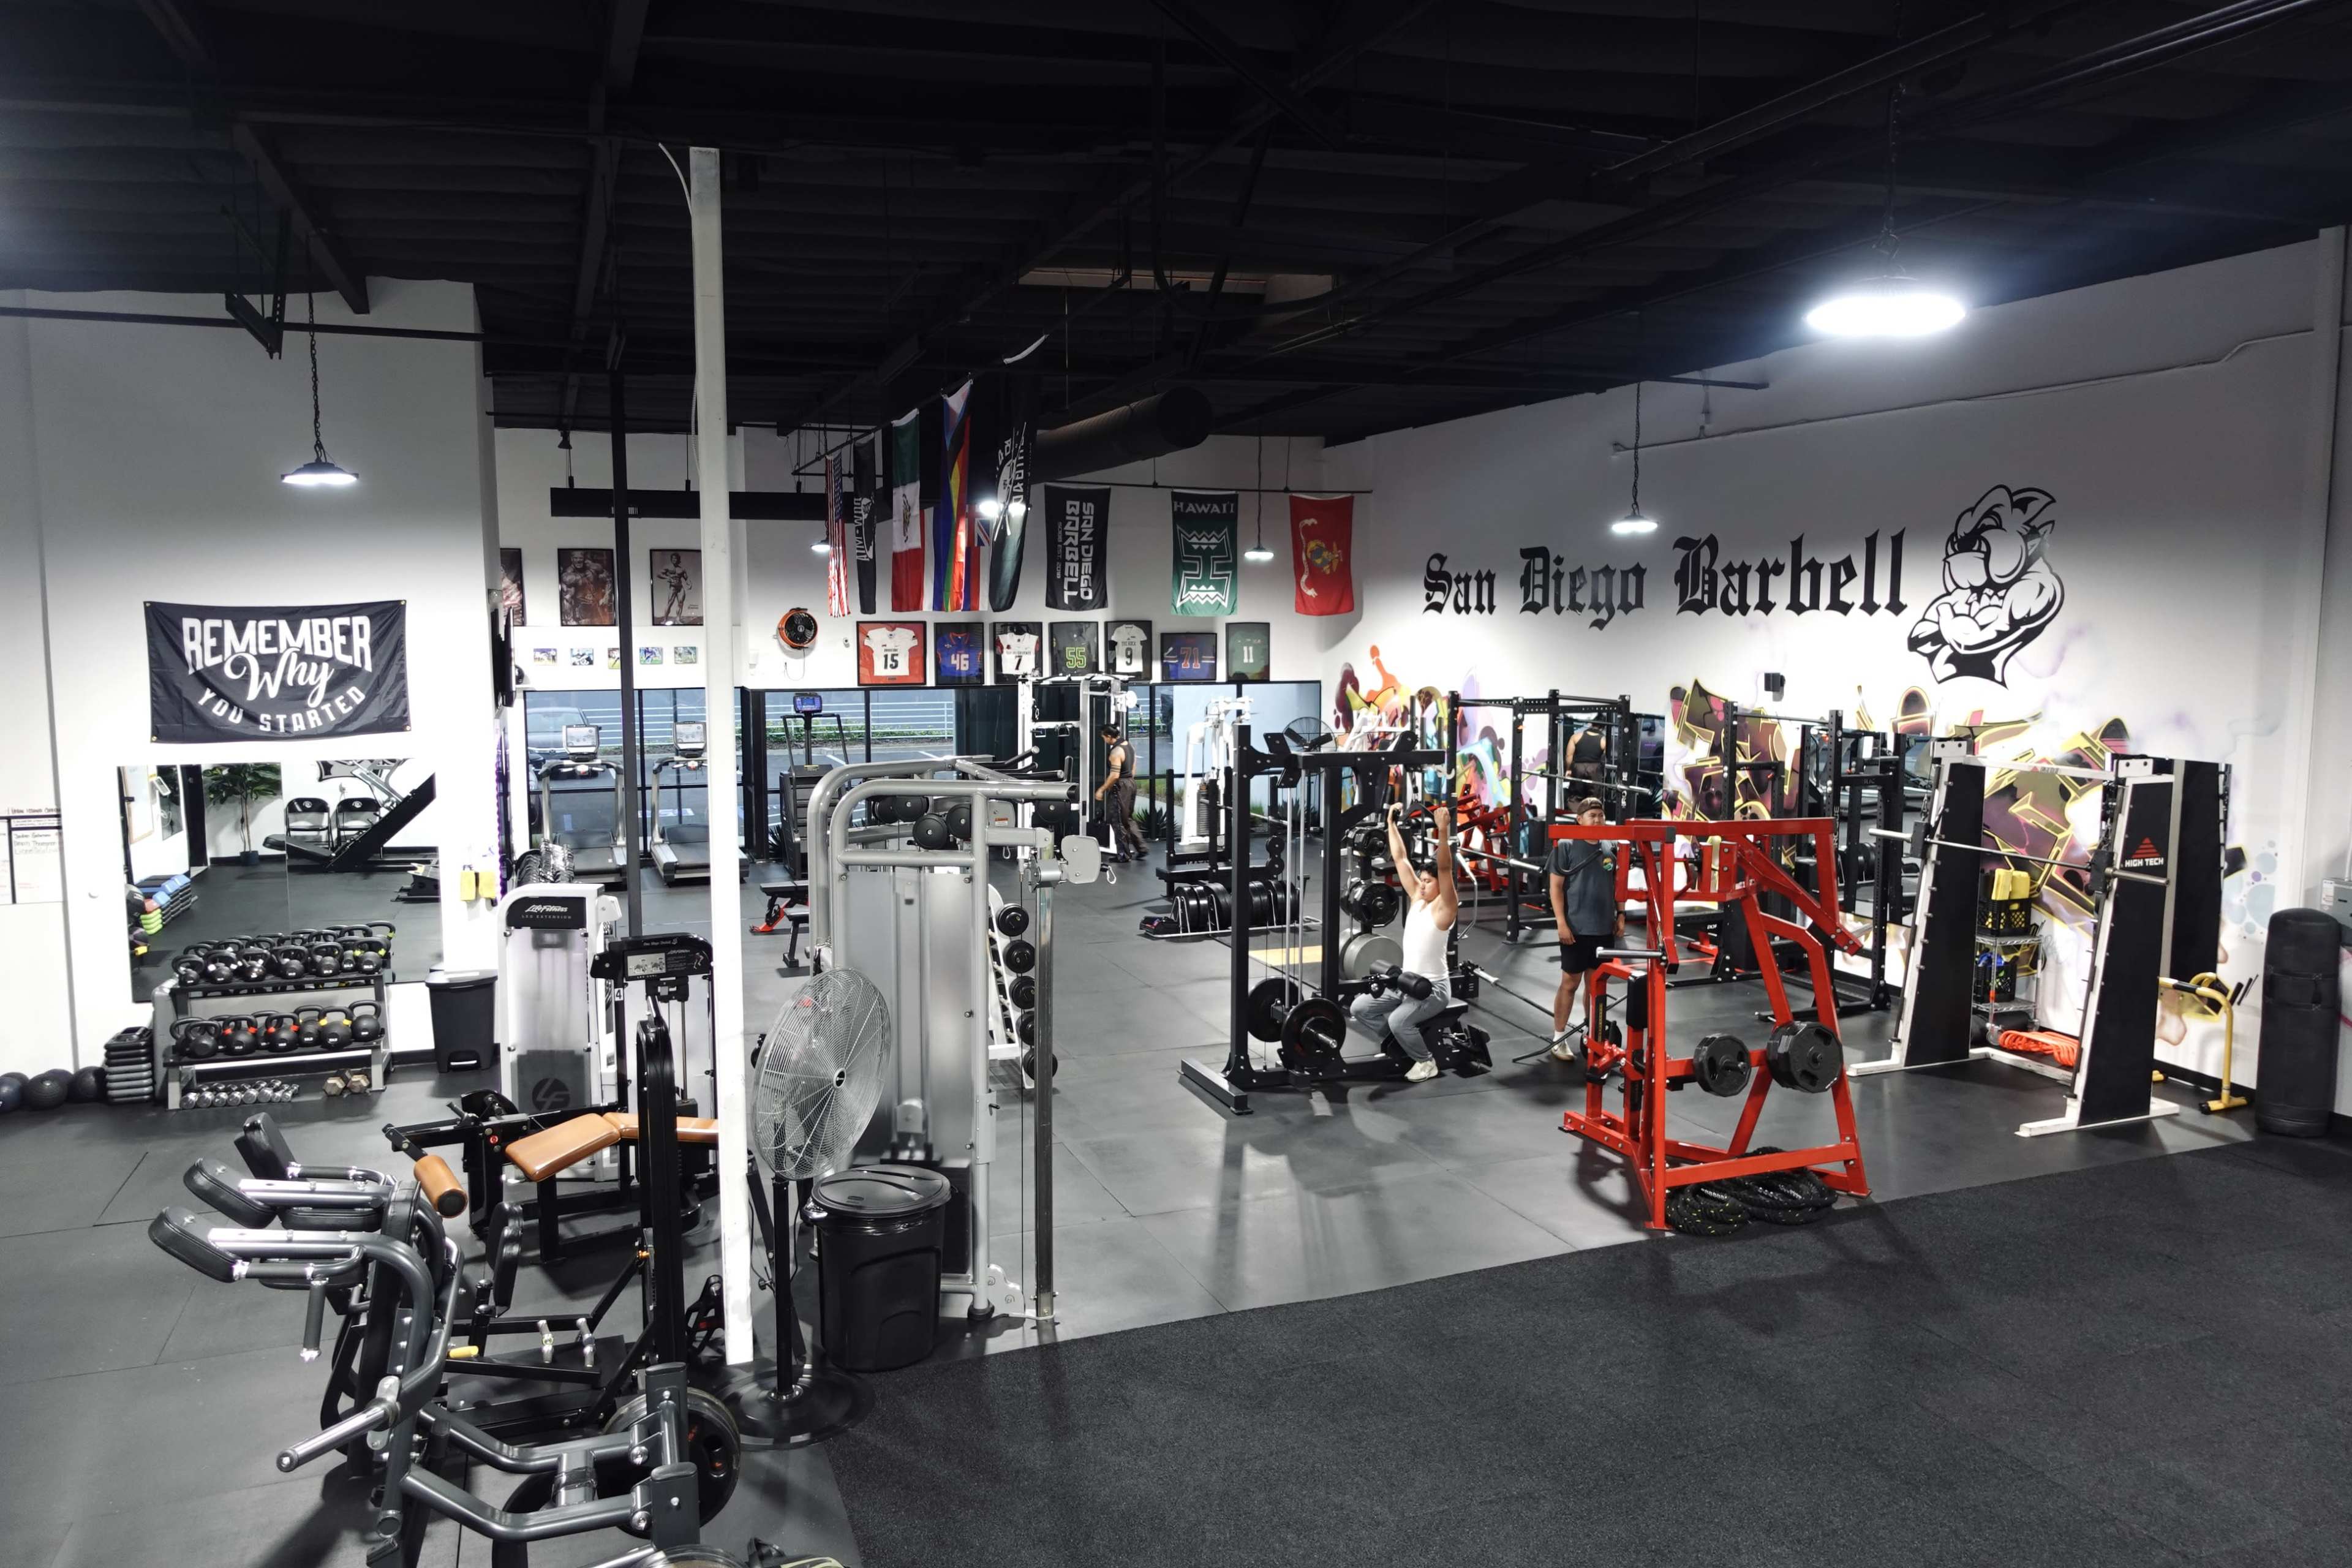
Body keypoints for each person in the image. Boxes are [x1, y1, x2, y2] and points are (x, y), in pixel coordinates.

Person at [1351, 802, 1458, 1084]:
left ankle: (1426, 1062)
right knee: (1359, 1009)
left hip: (1433, 990)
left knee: (1399, 1021)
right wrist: (1390, 824)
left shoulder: (1445, 908)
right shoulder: (1418, 900)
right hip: (1407, 982)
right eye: (1421, 881)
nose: (1422, 885)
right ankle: (1398, 1044)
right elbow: (1400, 859)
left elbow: (1445, 868)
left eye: (1428, 882)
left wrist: (1443, 831)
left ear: (1440, 885)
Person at [1548, 797, 1621, 1060]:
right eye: (1592, 815)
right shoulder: (1566, 845)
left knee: (1596, 984)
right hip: (1576, 928)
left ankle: (1594, 1034)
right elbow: (1555, 887)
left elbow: (1618, 883)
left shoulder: (1611, 844)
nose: (1598, 820)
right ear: (1579, 820)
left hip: (1603, 928)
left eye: (1601, 815)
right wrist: (1561, 922)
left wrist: (1621, 913)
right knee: (1570, 982)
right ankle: (1558, 1038)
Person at [1095, 723, 1147, 862]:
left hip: (1121, 786)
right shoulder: (1128, 745)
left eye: (1104, 738)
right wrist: (1129, 782)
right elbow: (1134, 766)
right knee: (1127, 819)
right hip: (1130, 782)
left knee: (1117, 820)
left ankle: (1123, 855)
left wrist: (1101, 790)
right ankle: (1141, 848)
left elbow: (1114, 776)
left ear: (1109, 737)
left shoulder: (1116, 752)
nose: (1104, 740)